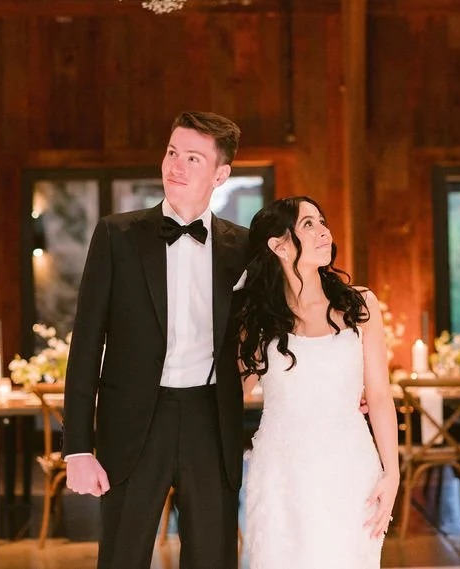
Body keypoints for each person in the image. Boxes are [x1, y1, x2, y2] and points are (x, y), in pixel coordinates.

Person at [62, 111, 249, 569]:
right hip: (133, 422)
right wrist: (78, 447)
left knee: (213, 558)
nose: (176, 166)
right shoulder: (116, 235)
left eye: (192, 158)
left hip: (212, 420)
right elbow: (85, 346)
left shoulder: (245, 248)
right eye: (171, 153)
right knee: (122, 557)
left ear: (220, 174)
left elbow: (278, 329)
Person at [237, 196, 399, 569]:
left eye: (322, 221)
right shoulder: (258, 319)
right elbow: (231, 397)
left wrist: (392, 473)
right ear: (278, 245)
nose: (324, 230)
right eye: (308, 224)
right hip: (281, 473)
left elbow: (378, 396)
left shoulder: (361, 305)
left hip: (350, 468)